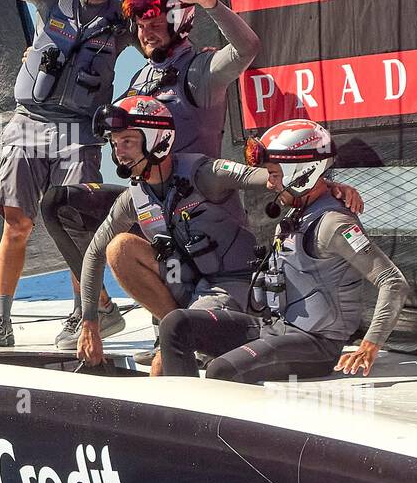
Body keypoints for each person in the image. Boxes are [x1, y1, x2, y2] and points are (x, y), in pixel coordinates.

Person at [42, 0, 261, 348]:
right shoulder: (141, 77)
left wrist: (210, 3)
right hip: (152, 205)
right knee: (59, 204)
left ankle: (178, 336)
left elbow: (246, 48)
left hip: (198, 206)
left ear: (180, 20)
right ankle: (104, 312)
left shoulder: (202, 71)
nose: (146, 32)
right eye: (141, 25)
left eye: (156, 23)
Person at [74, 99, 364, 369]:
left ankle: (181, 337)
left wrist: (325, 185)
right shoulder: (133, 197)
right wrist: (90, 321)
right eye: (114, 143)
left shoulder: (205, 173)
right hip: (187, 286)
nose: (118, 151)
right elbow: (94, 253)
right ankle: (177, 331)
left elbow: (269, 177)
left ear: (157, 140)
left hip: (233, 287)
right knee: (119, 248)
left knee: (162, 365)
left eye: (127, 141)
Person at [0, 0, 136, 347]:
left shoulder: (123, 19)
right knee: (17, 223)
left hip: (80, 133)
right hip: (29, 125)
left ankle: (85, 315)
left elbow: (158, 43)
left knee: (75, 226)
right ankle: (0, 320)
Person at [155, 119, 408, 383]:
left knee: (222, 370)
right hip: (274, 328)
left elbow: (392, 282)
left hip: (315, 344)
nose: (270, 183)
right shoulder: (301, 211)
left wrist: (370, 344)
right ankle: (184, 413)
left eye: (275, 174)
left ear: (301, 172)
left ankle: (205, 421)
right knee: (176, 325)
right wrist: (332, 186)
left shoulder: (335, 223)